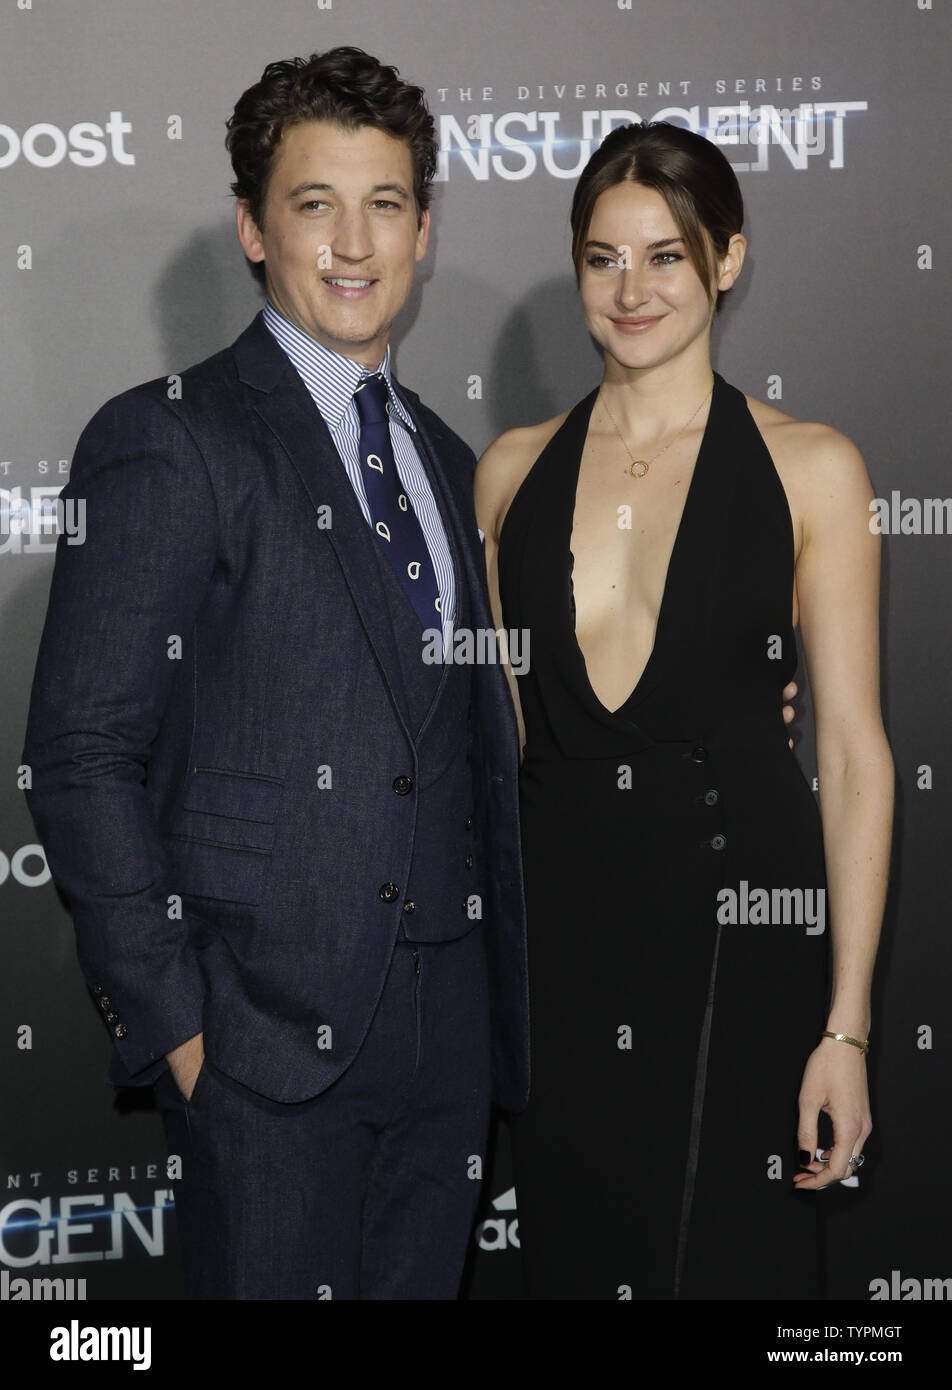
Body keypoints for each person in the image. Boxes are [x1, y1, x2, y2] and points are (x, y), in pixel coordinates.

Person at [21, 47, 529, 1300]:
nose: (353, 242)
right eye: (315, 204)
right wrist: (186, 1034)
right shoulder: (170, 434)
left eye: (387, 203)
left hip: (449, 1040)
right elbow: (80, 753)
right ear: (254, 227)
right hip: (259, 1046)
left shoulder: (454, 460)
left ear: (422, 228)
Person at [475, 121, 894, 1300]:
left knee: (727, 1265)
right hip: (562, 955)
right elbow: (507, 740)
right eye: (603, 257)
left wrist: (847, 1025)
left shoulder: (813, 466)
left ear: (726, 259)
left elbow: (855, 753)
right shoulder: (508, 471)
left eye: (666, 255)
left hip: (738, 935)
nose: (632, 288)